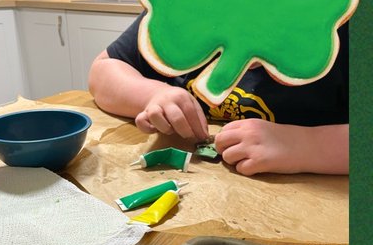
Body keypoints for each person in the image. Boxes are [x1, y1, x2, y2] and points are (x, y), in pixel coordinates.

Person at [88, 17, 349, 176]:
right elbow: (103, 70)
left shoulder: (343, 28)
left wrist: (305, 146)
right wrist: (153, 94)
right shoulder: (176, 8)